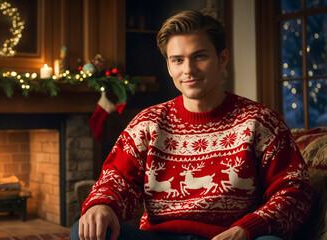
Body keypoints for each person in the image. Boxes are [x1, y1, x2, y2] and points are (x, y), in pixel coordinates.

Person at [70, 10, 312, 240]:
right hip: (159, 238)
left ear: (222, 58)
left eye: (200, 56)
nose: (188, 70)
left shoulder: (260, 122)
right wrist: (102, 204)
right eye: (178, 60)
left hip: (231, 236)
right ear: (168, 65)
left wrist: (248, 228)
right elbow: (116, 178)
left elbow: (295, 191)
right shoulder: (147, 124)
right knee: (83, 231)